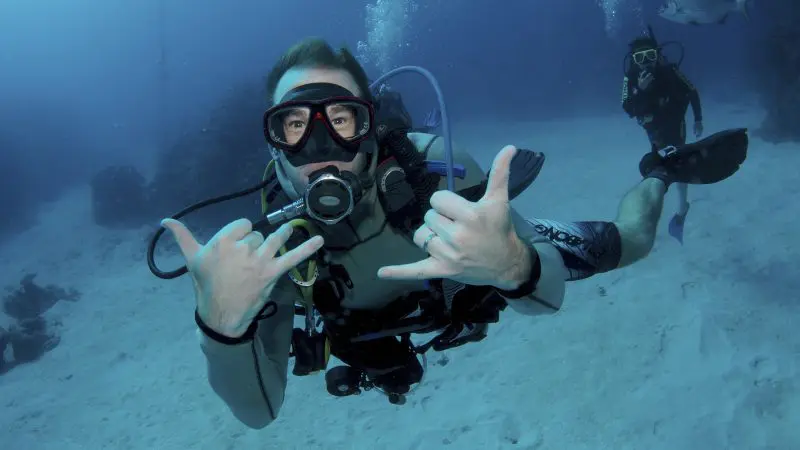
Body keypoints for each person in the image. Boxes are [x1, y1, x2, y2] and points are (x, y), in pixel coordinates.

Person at [154, 38, 747, 429]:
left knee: (633, 240)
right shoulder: (271, 253)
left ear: (370, 125)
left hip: (477, 261)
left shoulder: (437, 169)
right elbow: (260, 412)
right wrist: (222, 330)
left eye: (340, 119)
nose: (321, 149)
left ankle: (661, 169)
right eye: (294, 125)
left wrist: (514, 264)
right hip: (387, 326)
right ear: (273, 142)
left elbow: (546, 299)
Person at [621, 34, 704, 243]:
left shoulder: (669, 71)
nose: (645, 63)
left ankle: (682, 206)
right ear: (633, 60)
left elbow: (692, 92)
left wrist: (698, 120)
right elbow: (628, 108)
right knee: (658, 164)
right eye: (639, 58)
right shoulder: (630, 77)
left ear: (657, 56)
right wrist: (640, 90)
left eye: (649, 56)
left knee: (678, 162)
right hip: (654, 128)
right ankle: (656, 208)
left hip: (675, 123)